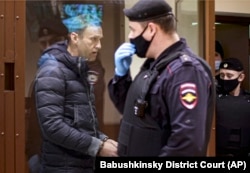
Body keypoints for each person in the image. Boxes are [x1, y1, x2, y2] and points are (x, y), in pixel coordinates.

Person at [108, 0, 214, 156]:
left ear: (151, 29)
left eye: (133, 30)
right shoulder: (154, 65)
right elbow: (132, 111)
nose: (130, 36)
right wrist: (121, 75)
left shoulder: (185, 72)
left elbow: (187, 144)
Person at [33, 15, 118, 173]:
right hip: (62, 166)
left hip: (79, 163)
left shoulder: (79, 69)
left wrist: (102, 139)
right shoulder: (53, 70)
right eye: (93, 39)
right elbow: (52, 126)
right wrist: (98, 147)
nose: (98, 46)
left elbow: (79, 122)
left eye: (100, 39)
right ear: (75, 37)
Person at [25, 18, 68, 173]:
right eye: (43, 43)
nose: (48, 48)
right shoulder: (41, 77)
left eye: (54, 42)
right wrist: (32, 154)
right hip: (40, 157)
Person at [216, 57, 250, 157]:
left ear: (241, 77)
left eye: (229, 76)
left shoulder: (247, 100)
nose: (225, 79)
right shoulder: (215, 99)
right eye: (222, 75)